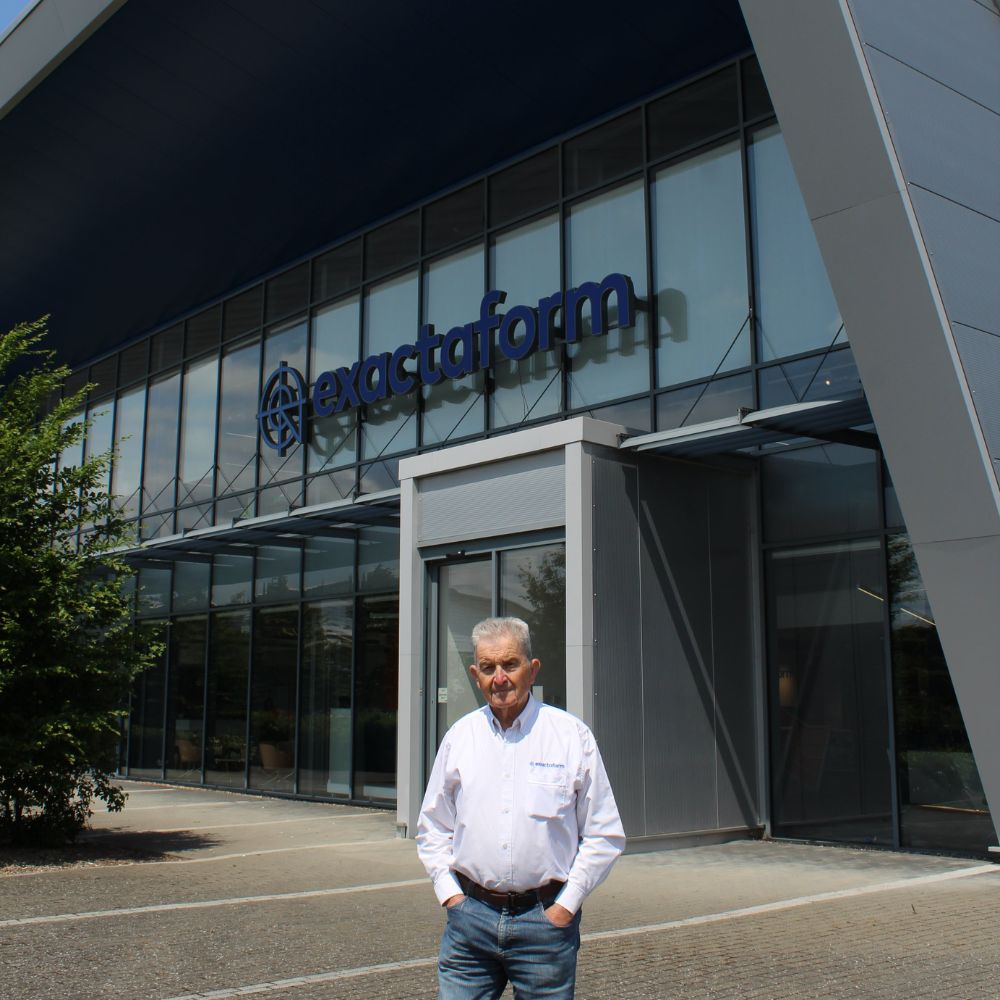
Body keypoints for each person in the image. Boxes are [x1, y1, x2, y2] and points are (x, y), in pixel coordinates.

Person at [416, 616, 625, 999]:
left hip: (544, 924)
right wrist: (451, 895)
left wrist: (565, 906)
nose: (499, 678)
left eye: (510, 664)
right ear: (475, 675)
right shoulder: (460, 737)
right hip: (470, 922)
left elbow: (604, 833)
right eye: (488, 668)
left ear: (532, 669)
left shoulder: (571, 737)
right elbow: (433, 827)